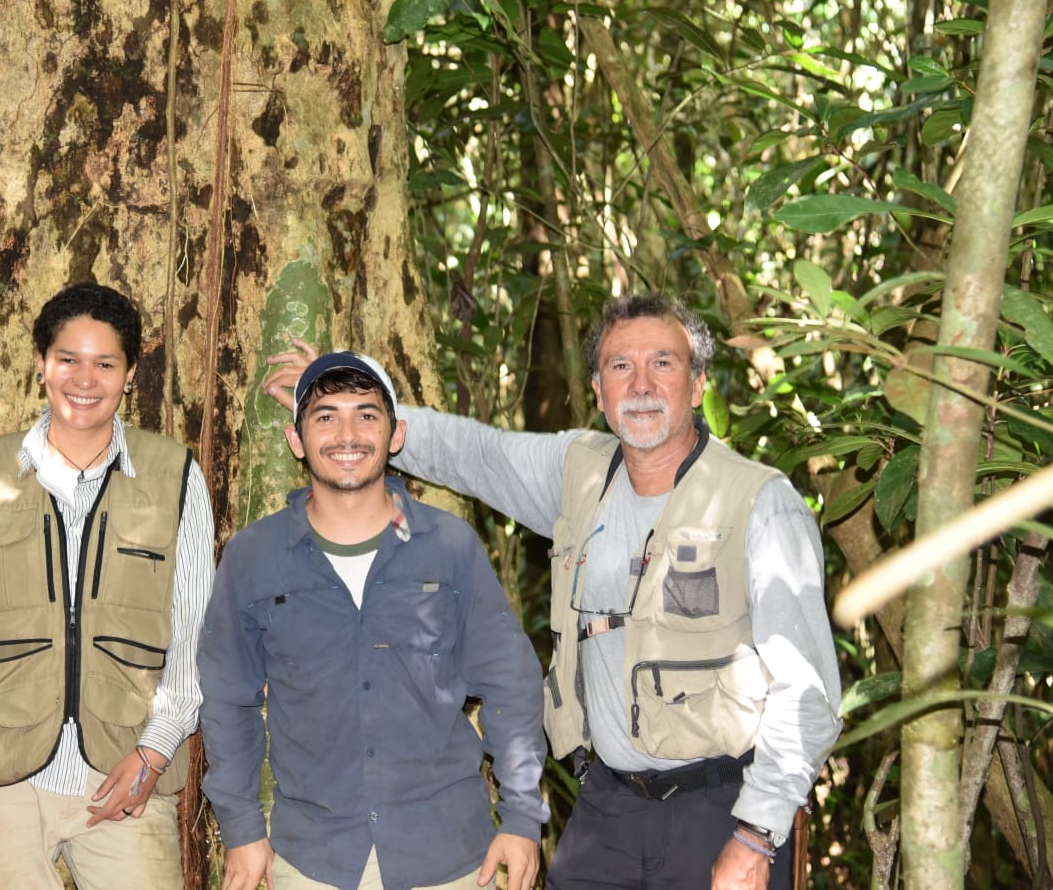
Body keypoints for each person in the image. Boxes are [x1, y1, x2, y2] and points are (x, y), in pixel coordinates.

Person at [264, 297, 842, 890]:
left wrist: (756, 833)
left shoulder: (759, 501)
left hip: (722, 805)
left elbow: (809, 691)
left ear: (696, 385)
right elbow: (475, 454)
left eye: (662, 364)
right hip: (608, 808)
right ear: (598, 390)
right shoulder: (579, 472)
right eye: (620, 367)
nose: (640, 384)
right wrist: (351, 411)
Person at [202, 351, 549, 890]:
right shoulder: (254, 557)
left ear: (396, 435)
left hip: (451, 857)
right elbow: (228, 697)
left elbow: (511, 683)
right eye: (325, 416)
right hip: (314, 859)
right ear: (297, 441)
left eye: (366, 415)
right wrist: (242, 827)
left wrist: (523, 816)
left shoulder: (450, 547)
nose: (347, 434)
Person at [0, 282, 215, 889]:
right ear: (41, 365)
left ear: (129, 374)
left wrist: (156, 750)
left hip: (126, 771)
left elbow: (195, 633)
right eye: (68, 360)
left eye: (105, 363)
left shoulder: (174, 476)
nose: (85, 379)